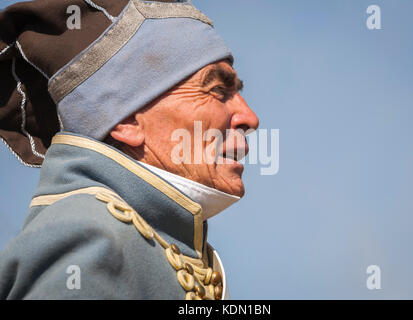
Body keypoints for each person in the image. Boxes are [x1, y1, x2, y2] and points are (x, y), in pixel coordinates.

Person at [0, 0, 258, 299]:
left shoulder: (148, 242)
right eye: (217, 90)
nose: (250, 117)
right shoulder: (88, 236)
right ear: (126, 121)